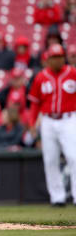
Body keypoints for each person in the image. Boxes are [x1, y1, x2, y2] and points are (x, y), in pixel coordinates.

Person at [28, 44, 76, 206]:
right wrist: (32, 123)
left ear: (64, 58)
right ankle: (57, 198)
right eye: (53, 57)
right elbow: (34, 103)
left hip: (69, 119)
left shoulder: (73, 74)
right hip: (48, 120)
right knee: (50, 160)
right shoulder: (40, 77)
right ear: (47, 59)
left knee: (74, 157)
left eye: (59, 57)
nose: (57, 60)